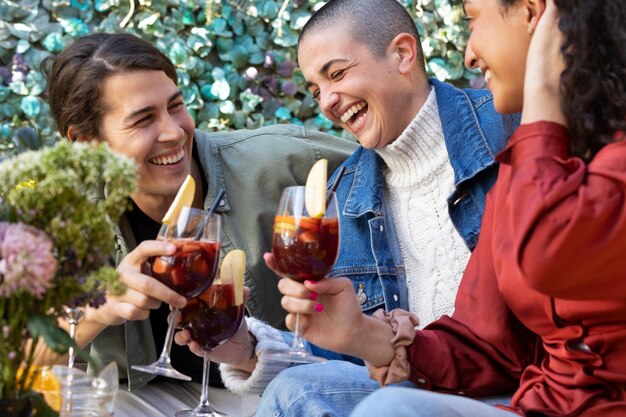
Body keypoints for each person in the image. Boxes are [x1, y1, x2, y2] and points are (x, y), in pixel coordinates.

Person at [278, 0, 626, 416]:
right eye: (316, 89)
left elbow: (547, 250)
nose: (469, 53)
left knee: (389, 409)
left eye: (473, 21)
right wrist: (364, 335)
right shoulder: (520, 162)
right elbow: (487, 341)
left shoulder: (520, 140)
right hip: (540, 404)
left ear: (534, 14)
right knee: (298, 390)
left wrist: (542, 98)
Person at [175, 0, 518, 412]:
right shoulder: (345, 194)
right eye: (316, 89)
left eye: (337, 74)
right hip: (409, 386)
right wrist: (246, 349)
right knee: (301, 388)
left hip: (512, 387)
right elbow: (353, 353)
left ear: (403, 54)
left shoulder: (510, 132)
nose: (326, 102)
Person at [41, 32, 355, 416]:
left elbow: (394, 171)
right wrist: (101, 308)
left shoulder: (282, 160)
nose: (174, 132)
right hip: (144, 398)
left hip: (270, 390)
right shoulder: (65, 218)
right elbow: (20, 358)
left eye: (176, 106)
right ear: (86, 143)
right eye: (143, 120)